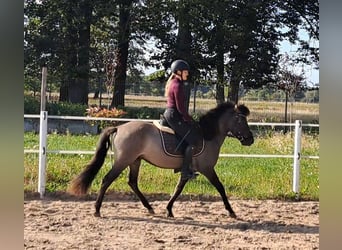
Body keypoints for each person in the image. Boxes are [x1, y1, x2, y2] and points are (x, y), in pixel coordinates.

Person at [163, 59, 201, 181]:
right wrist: (190, 120)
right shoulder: (177, 85)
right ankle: (185, 172)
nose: (187, 74)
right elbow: (181, 108)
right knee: (192, 140)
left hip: (170, 114)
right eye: (185, 72)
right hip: (175, 115)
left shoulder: (173, 83)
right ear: (178, 72)